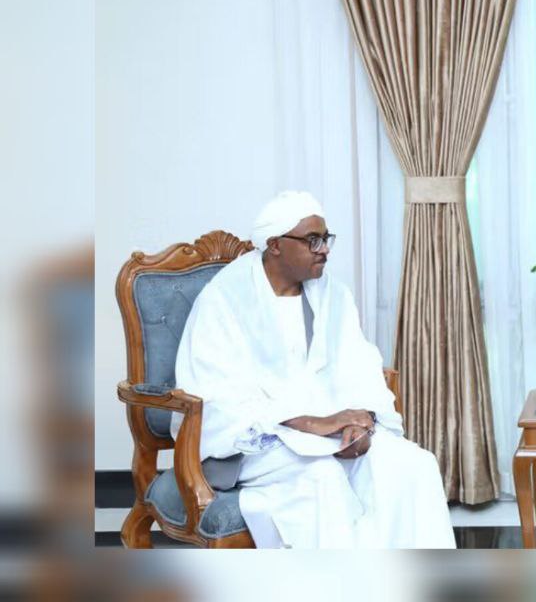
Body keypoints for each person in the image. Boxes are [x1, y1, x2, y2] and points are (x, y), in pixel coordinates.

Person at [171, 191, 456, 548]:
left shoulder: (332, 293)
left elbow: (359, 364)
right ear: (275, 245)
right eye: (312, 240)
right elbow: (217, 394)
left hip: (330, 432)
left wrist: (358, 422)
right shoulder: (225, 299)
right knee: (323, 477)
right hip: (253, 444)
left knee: (413, 465)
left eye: (325, 239)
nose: (324, 250)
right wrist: (311, 423)